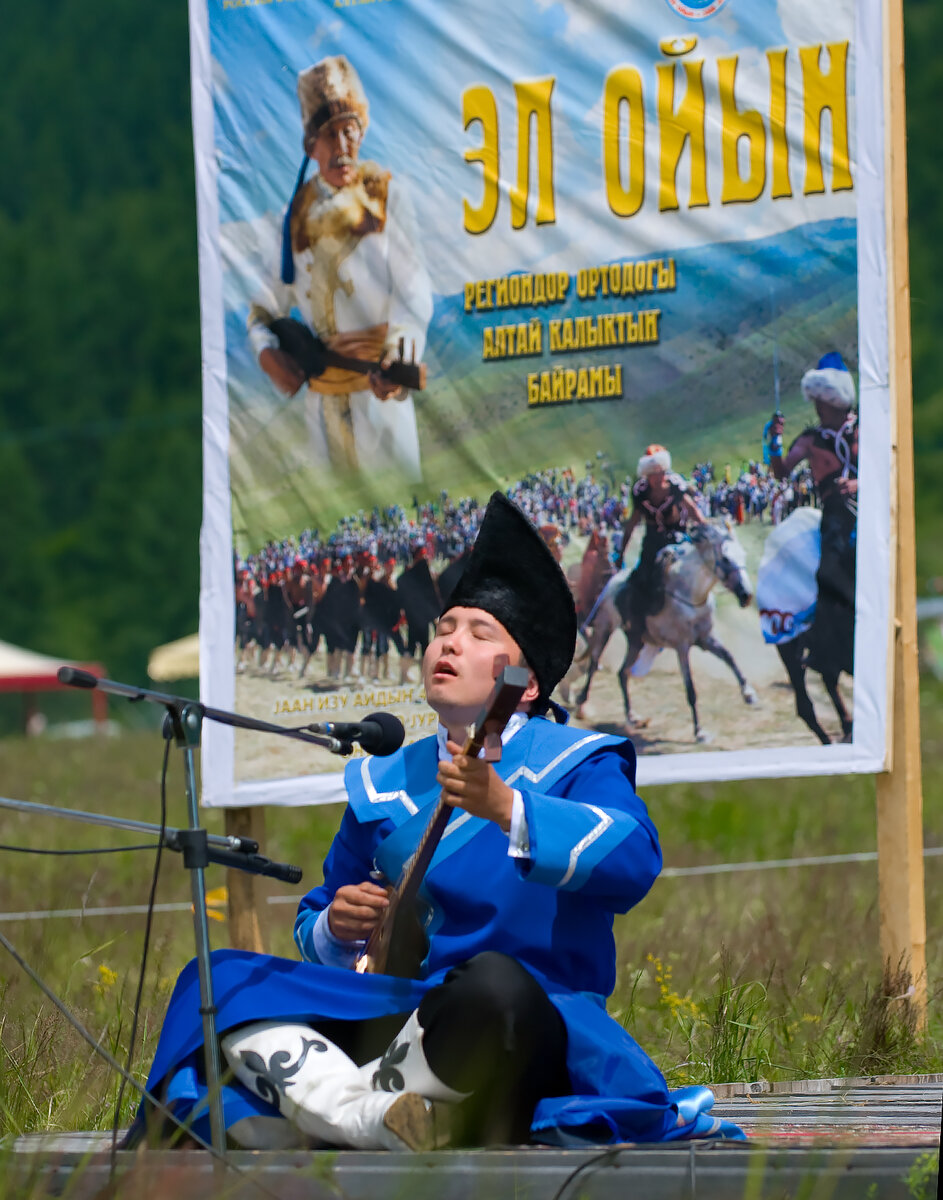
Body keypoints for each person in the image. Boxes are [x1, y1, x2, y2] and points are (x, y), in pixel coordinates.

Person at [133, 493, 741, 1152]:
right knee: (222, 980)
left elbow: (633, 864)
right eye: (444, 629)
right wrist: (337, 927)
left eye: (478, 634)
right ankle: (370, 1118)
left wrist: (508, 807)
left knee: (494, 987)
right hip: (393, 1009)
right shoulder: (384, 782)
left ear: (525, 682)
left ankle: (315, 1116)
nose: (448, 642)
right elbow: (317, 917)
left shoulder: (578, 763)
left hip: (520, 1021)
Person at [247, 55, 432, 479]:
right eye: (329, 135)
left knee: (399, 519)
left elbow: (414, 294)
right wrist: (266, 354)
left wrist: (396, 361)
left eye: (350, 131)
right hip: (321, 404)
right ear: (311, 146)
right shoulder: (292, 217)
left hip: (381, 396)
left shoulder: (387, 197)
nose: (342, 145)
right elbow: (263, 309)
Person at [768, 352, 858, 676]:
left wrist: (860, 483)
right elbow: (781, 472)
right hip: (834, 520)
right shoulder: (811, 439)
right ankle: (823, 647)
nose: (817, 407)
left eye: (822, 399)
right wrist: (774, 440)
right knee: (826, 575)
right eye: (815, 400)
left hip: (872, 511)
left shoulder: (864, 427)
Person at [615, 445, 705, 645]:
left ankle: (700, 612)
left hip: (677, 538)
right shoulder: (640, 492)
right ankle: (640, 621)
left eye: (662, 471)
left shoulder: (675, 486)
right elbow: (633, 522)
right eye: (655, 473)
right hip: (653, 541)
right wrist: (622, 551)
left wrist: (705, 527)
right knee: (642, 577)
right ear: (647, 475)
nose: (660, 476)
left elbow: (692, 509)